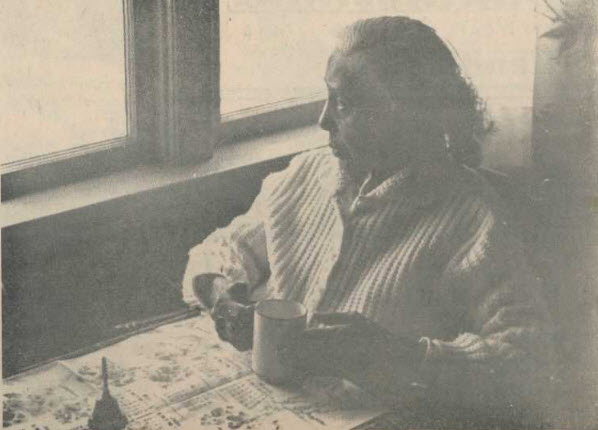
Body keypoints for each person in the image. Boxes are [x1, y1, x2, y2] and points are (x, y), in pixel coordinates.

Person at [182, 16, 555, 424]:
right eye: (327, 96)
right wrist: (224, 295)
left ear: (409, 113)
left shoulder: (471, 218)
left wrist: (397, 357)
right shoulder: (307, 174)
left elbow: (525, 359)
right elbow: (223, 248)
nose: (323, 120)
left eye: (344, 103)